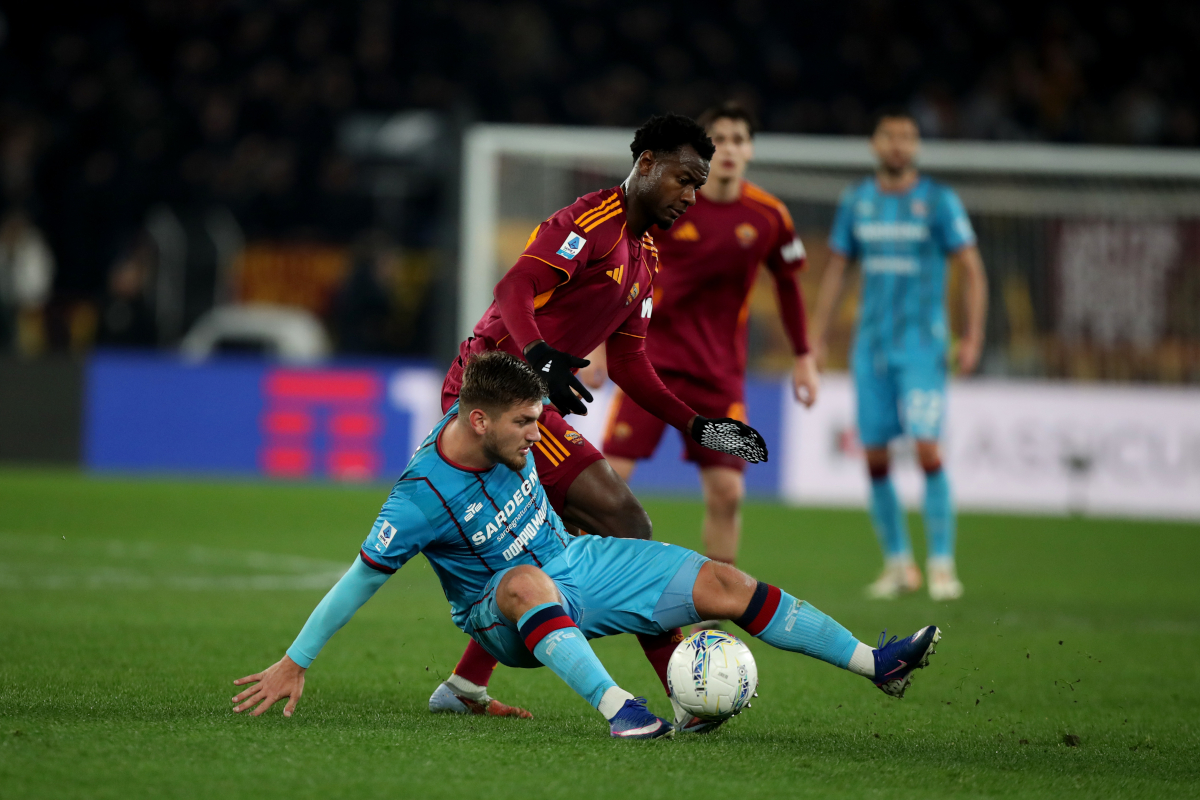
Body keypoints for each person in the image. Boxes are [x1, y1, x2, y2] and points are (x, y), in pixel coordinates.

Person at [232, 352, 942, 739]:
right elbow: (358, 579)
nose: (535, 435)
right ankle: (621, 712)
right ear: (476, 422)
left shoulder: (511, 422)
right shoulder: (420, 496)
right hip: (498, 611)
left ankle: (872, 661)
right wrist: (296, 661)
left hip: (578, 565)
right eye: (522, 425)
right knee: (520, 583)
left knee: (724, 582)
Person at [427, 114, 770, 731]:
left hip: (535, 396)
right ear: (646, 166)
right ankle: (684, 691)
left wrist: (698, 426)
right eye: (684, 180)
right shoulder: (590, 222)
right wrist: (538, 356)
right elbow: (514, 287)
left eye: (698, 185)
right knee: (624, 520)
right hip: (491, 392)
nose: (691, 196)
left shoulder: (644, 254)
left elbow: (633, 362)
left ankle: (464, 684)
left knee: (543, 543)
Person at [591, 101, 817, 585]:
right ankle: (578, 580)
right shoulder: (669, 203)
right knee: (607, 481)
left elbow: (789, 284)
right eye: (723, 140)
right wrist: (597, 343)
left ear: (751, 148)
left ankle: (713, 612)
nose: (732, 149)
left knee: (727, 494)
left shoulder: (768, 216)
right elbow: (618, 271)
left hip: (718, 373)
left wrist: (803, 356)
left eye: (740, 139)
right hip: (649, 362)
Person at [808, 107, 988, 602]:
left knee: (928, 448)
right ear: (875, 143)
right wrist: (815, 338)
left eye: (908, 137)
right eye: (890, 136)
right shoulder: (857, 201)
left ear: (916, 146)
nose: (899, 145)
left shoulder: (937, 202)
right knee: (876, 456)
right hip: (871, 349)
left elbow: (972, 268)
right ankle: (899, 565)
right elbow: (837, 271)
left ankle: (942, 565)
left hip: (924, 348)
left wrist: (971, 336)